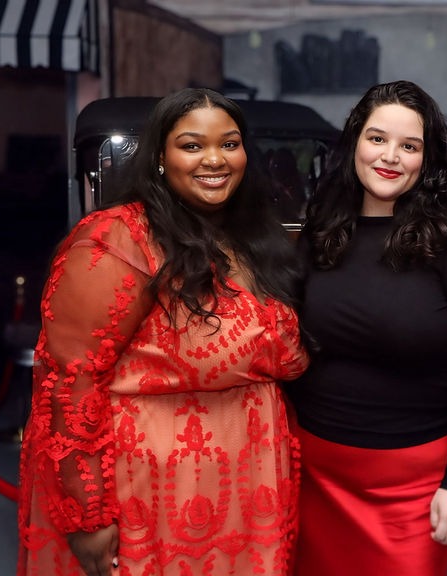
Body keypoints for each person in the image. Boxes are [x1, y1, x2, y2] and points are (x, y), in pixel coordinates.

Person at [17, 88, 310, 576]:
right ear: (159, 156)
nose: (214, 159)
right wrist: (88, 514)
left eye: (229, 144)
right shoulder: (118, 238)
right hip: (149, 496)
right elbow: (70, 380)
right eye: (192, 145)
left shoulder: (253, 236)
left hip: (250, 488)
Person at [288, 80, 447, 575]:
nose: (390, 156)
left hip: (414, 487)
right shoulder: (323, 229)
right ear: (355, 143)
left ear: (426, 159)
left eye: (409, 146)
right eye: (377, 139)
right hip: (316, 478)